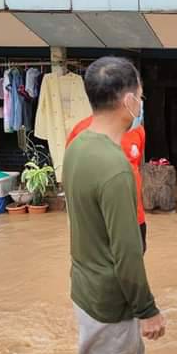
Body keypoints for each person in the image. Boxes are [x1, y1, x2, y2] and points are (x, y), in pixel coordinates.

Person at [62, 57, 166, 354]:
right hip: (110, 297)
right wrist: (149, 310)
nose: (142, 100)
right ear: (127, 100)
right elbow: (127, 256)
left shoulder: (78, 147)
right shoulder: (115, 168)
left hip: (85, 281)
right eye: (140, 94)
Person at [67, 107, 147, 252]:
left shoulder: (137, 130)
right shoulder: (81, 131)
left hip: (135, 217)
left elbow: (136, 165)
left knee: (133, 264)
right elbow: (73, 176)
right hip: (96, 221)